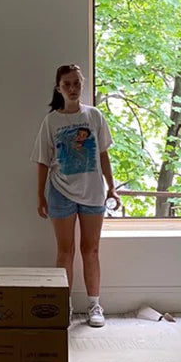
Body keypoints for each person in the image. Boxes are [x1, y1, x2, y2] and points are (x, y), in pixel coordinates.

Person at [31, 64, 120, 327]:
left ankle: (94, 305)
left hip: (93, 193)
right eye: (66, 84)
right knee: (65, 251)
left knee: (90, 250)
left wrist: (111, 186)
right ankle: (64, 306)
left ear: (82, 84)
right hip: (60, 192)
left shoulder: (94, 116)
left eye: (76, 83)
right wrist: (40, 196)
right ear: (58, 88)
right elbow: (42, 161)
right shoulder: (52, 121)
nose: (72, 88)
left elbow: (103, 153)